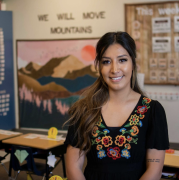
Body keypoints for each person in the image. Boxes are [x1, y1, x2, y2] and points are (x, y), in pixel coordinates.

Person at [64, 31, 169, 180]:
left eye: (122, 60)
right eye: (106, 61)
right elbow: (73, 168)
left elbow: (154, 170)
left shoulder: (152, 111)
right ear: (99, 66)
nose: (114, 69)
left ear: (133, 63)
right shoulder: (83, 110)